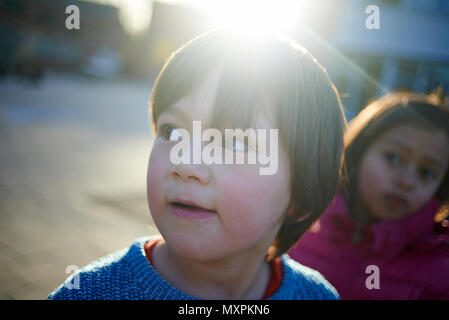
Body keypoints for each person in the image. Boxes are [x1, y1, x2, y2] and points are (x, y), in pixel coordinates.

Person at [48, 29, 346, 300]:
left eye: (235, 143)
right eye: (172, 133)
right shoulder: (89, 294)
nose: (186, 164)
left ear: (300, 195)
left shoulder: (317, 296)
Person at [289, 90, 449, 299]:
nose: (407, 181)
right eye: (393, 158)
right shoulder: (296, 227)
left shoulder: (440, 270)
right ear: (358, 153)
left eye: (426, 172)